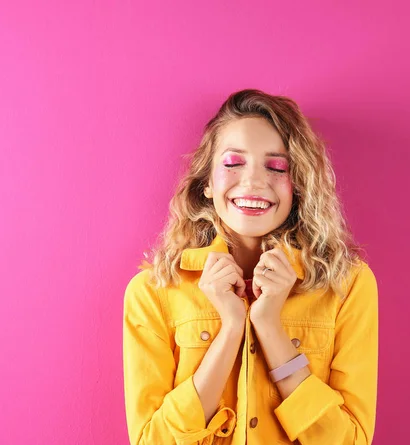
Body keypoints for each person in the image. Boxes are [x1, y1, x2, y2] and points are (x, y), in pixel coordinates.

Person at [123, 89, 379, 445]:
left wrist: (269, 328)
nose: (254, 182)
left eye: (276, 167)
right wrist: (230, 330)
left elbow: (350, 441)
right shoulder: (153, 291)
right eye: (232, 163)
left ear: (297, 187)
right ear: (207, 183)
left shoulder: (347, 284)